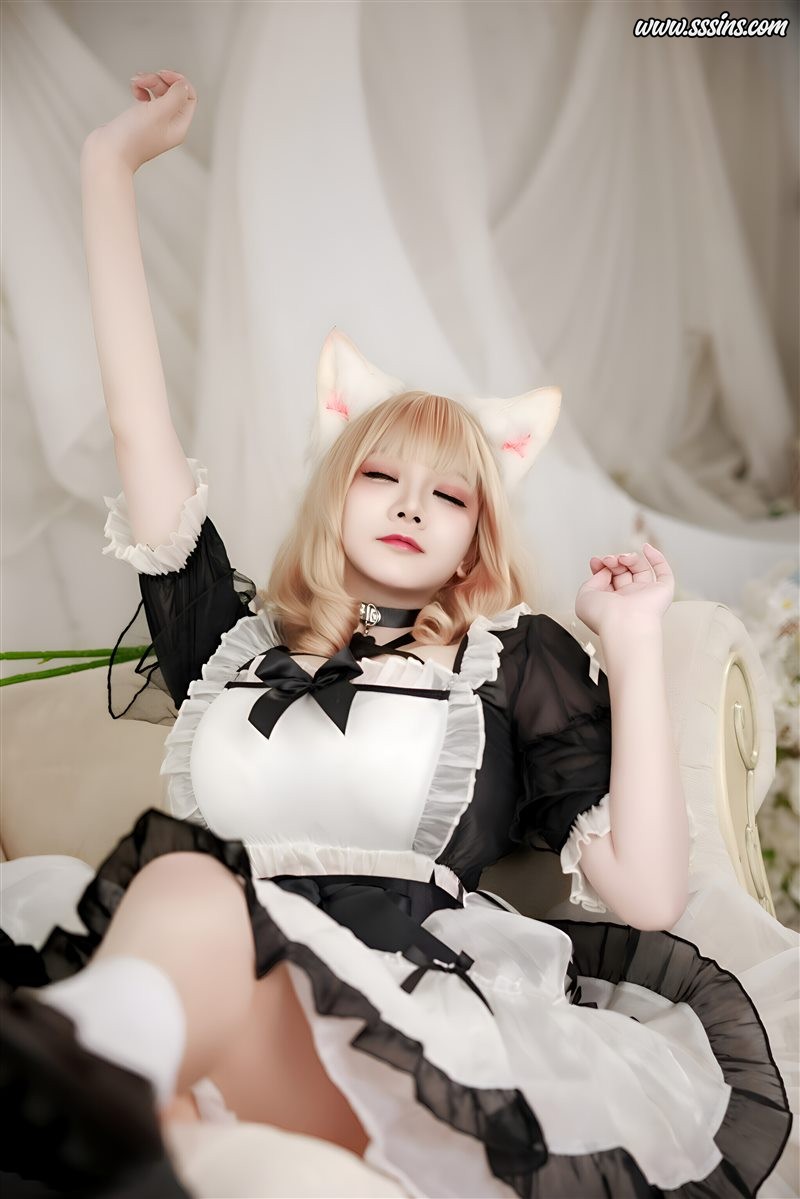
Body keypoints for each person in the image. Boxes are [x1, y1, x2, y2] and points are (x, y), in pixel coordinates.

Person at [0, 70, 795, 1199]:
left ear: (476, 535)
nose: (412, 503)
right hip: (208, 971)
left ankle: (81, 1069)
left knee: (183, 893)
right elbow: (139, 426)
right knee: (184, 900)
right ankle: (117, 1096)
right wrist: (107, 169)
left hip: (396, 1015)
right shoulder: (226, 640)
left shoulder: (513, 661)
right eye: (381, 474)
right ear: (336, 492)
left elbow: (651, 896)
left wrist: (629, 640)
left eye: (449, 493)